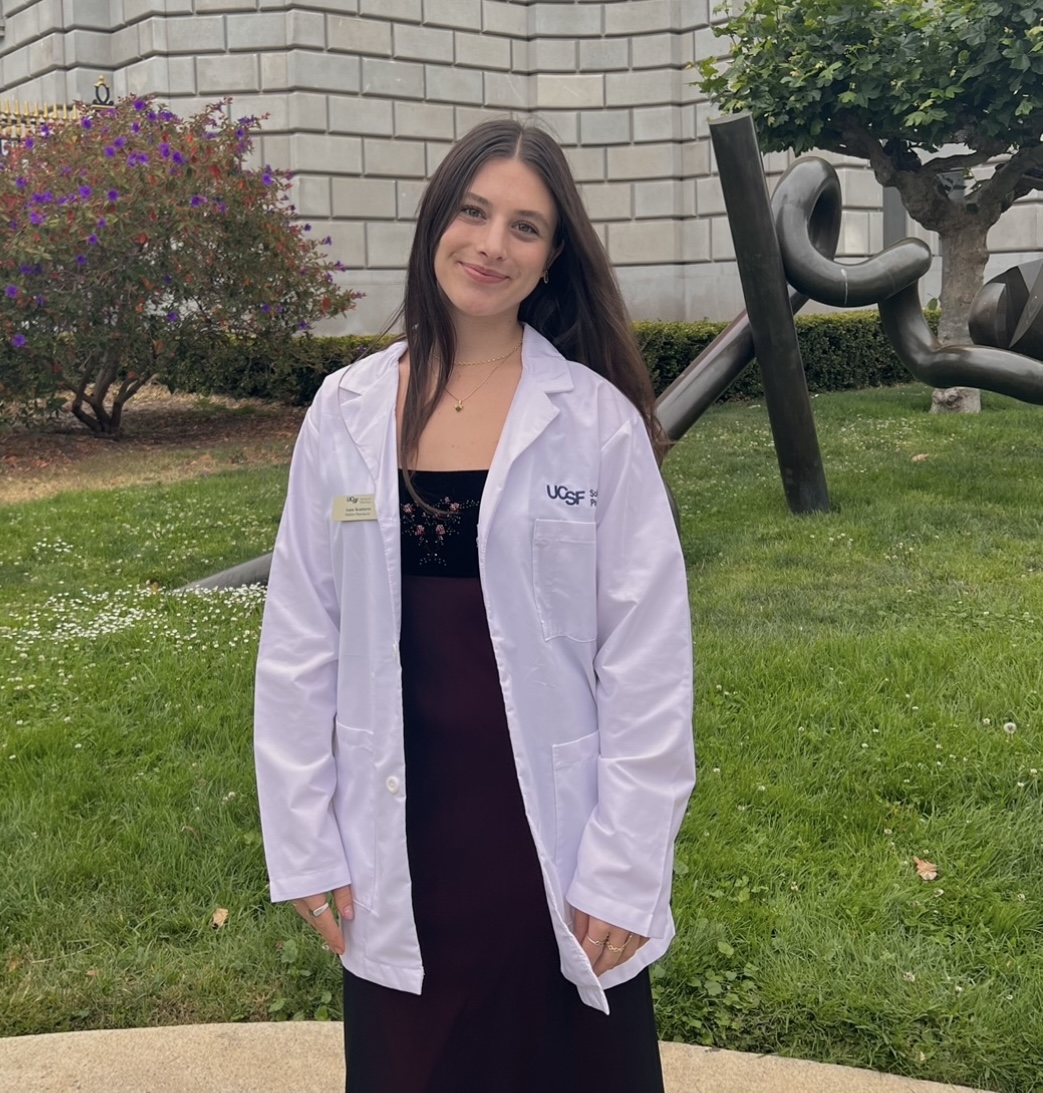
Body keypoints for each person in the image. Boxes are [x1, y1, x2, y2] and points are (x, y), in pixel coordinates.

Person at [253, 118, 695, 1093]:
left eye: (525, 227)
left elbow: (647, 661)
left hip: (552, 836)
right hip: (400, 829)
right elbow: (299, 639)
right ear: (435, 222)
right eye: (473, 212)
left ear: (552, 258)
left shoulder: (594, 423)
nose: (492, 245)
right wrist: (304, 840)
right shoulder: (345, 411)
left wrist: (625, 864)